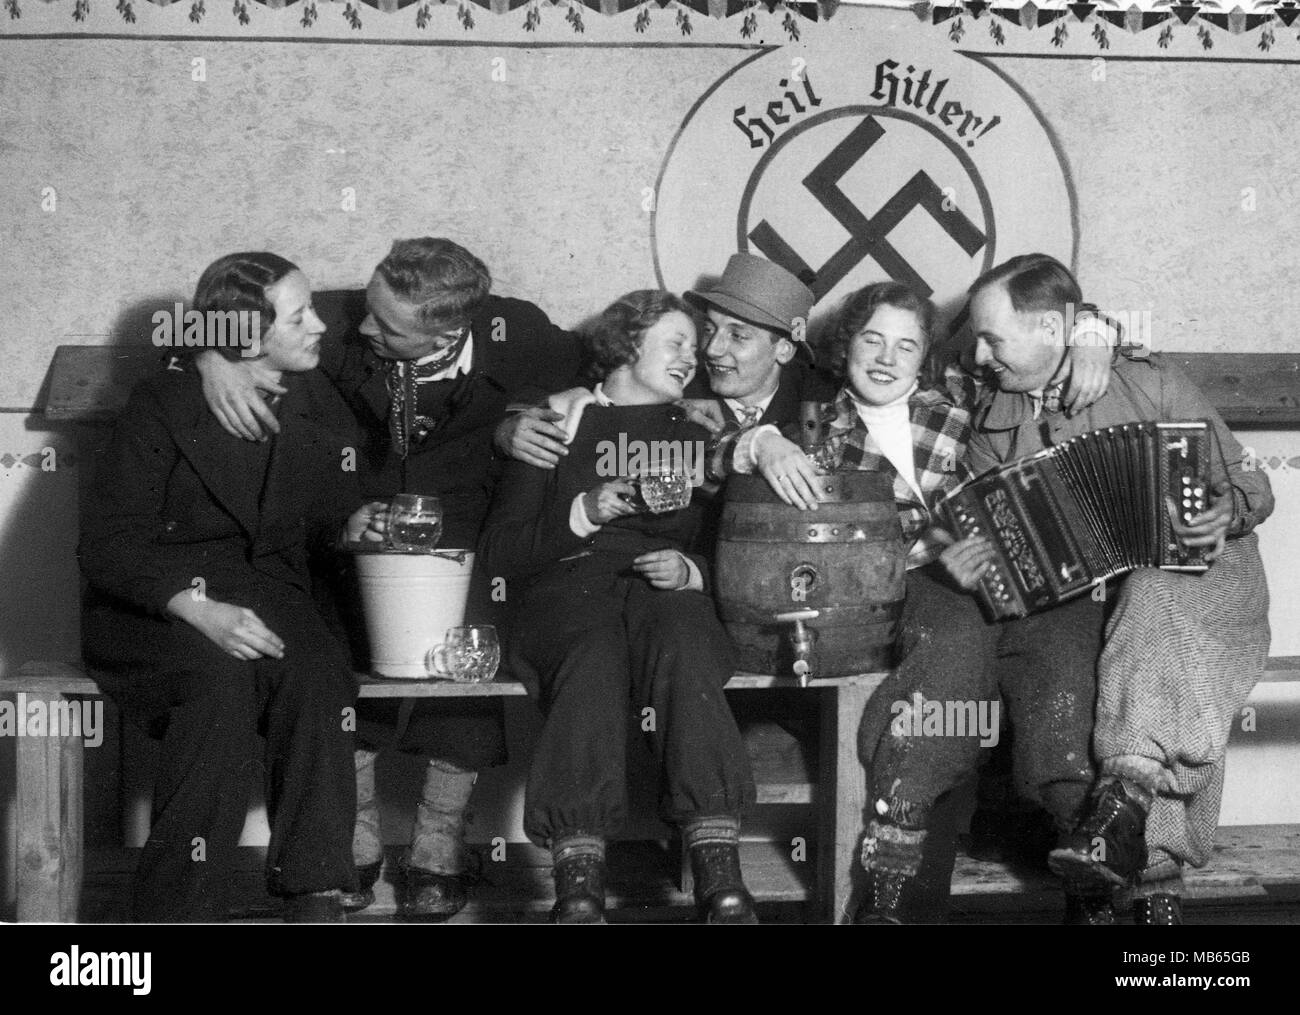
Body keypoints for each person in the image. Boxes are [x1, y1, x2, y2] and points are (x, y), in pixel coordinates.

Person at [192, 237, 584, 919]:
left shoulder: (516, 330)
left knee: (469, 641)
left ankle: (438, 844)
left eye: (388, 325)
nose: (364, 327)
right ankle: (356, 833)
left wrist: (536, 415)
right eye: (368, 311)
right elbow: (197, 321)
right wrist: (210, 360)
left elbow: (611, 365)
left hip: (466, 534)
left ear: (450, 325)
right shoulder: (350, 317)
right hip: (353, 523)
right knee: (335, 634)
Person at [940, 254, 1274, 925]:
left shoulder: (1148, 380)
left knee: (1154, 600)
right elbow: (995, 545)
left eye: (993, 338)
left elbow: (1252, 488)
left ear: (1049, 328)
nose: (979, 354)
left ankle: (1122, 819)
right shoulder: (990, 415)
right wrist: (977, 562)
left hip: (1209, 570)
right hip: (1087, 601)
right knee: (1114, 641)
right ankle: (1147, 878)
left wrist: (1221, 512)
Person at [79, 253, 387, 922]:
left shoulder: (313, 395)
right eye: (299, 315)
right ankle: (173, 911)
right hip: (157, 606)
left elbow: (324, 509)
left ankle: (314, 896)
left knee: (318, 672)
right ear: (246, 334)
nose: (320, 327)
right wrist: (198, 608)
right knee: (218, 684)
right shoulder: (162, 404)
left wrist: (354, 521)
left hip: (266, 594)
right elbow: (107, 545)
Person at [478, 290, 759, 924]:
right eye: (678, 342)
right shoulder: (556, 424)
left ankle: (722, 879)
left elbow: (736, 544)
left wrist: (692, 570)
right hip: (566, 589)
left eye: (695, 344)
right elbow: (501, 552)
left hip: (660, 593)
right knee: (591, 654)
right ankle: (579, 885)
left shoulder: (700, 429)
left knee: (686, 636)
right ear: (628, 344)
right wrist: (584, 513)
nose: (694, 357)